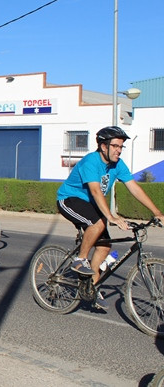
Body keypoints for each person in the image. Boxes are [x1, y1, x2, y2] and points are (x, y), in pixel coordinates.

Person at [57, 126, 164, 310]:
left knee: (105, 247)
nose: (119, 150)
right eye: (115, 146)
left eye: (121, 146)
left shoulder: (118, 164)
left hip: (90, 204)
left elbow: (134, 188)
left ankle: (90, 285)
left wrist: (157, 213)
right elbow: (96, 191)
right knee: (98, 222)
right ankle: (80, 259)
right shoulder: (91, 161)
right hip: (70, 199)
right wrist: (111, 216)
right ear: (103, 146)